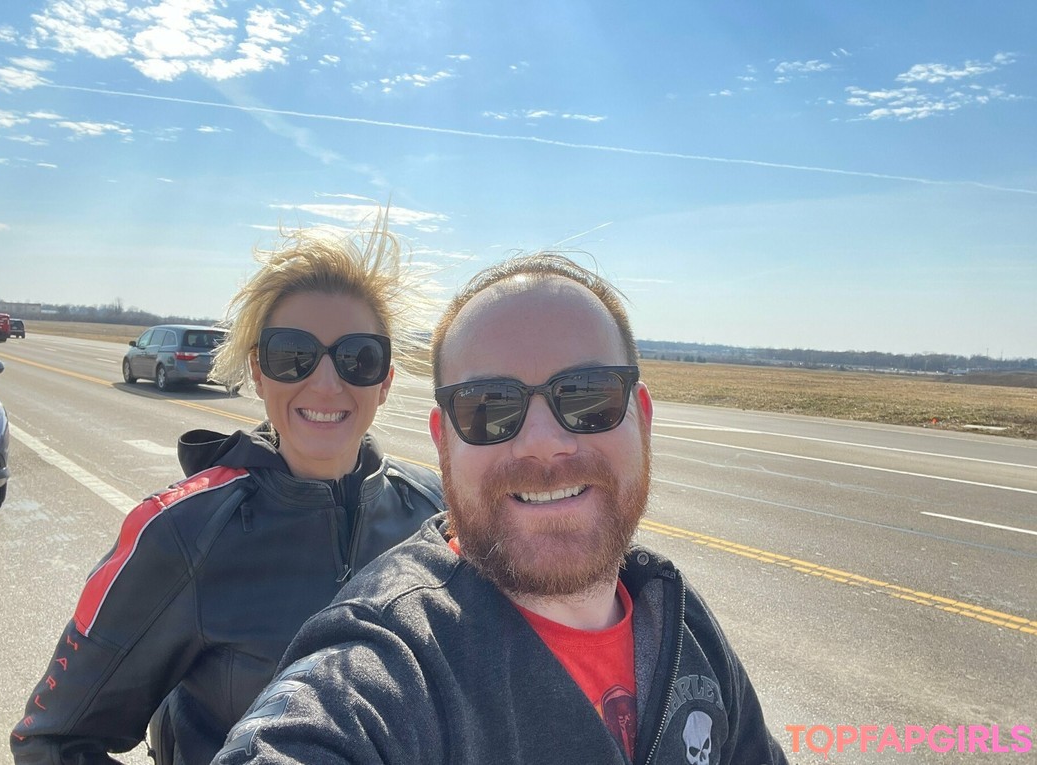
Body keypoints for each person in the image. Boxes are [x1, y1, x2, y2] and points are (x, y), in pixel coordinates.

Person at [213, 254, 788, 764]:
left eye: (588, 396)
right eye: (488, 408)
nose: (543, 441)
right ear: (443, 443)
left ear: (642, 417)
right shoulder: (387, 663)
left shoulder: (679, 618)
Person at [11, 213, 444, 765]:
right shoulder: (183, 531)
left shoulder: (436, 516)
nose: (325, 383)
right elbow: (50, 739)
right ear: (259, 373)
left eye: (358, 358)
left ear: (385, 381)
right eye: (293, 355)